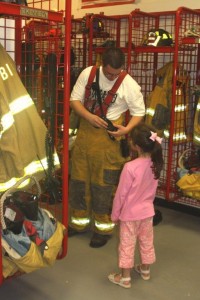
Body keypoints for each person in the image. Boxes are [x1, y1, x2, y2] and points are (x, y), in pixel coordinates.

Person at [68, 47, 145, 248]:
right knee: (78, 181)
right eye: (109, 73)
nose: (113, 77)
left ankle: (103, 229)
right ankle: (78, 223)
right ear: (102, 65)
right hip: (84, 136)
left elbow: (139, 112)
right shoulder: (88, 73)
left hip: (109, 141)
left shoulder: (129, 84)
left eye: (117, 73)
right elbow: (74, 100)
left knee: (103, 186)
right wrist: (88, 116)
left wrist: (126, 129)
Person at [108, 123, 164, 288]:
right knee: (147, 241)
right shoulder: (156, 163)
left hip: (130, 215)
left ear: (136, 146)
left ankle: (125, 278)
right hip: (147, 213)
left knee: (127, 245)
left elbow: (121, 195)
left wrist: (115, 215)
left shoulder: (129, 167)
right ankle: (145, 270)